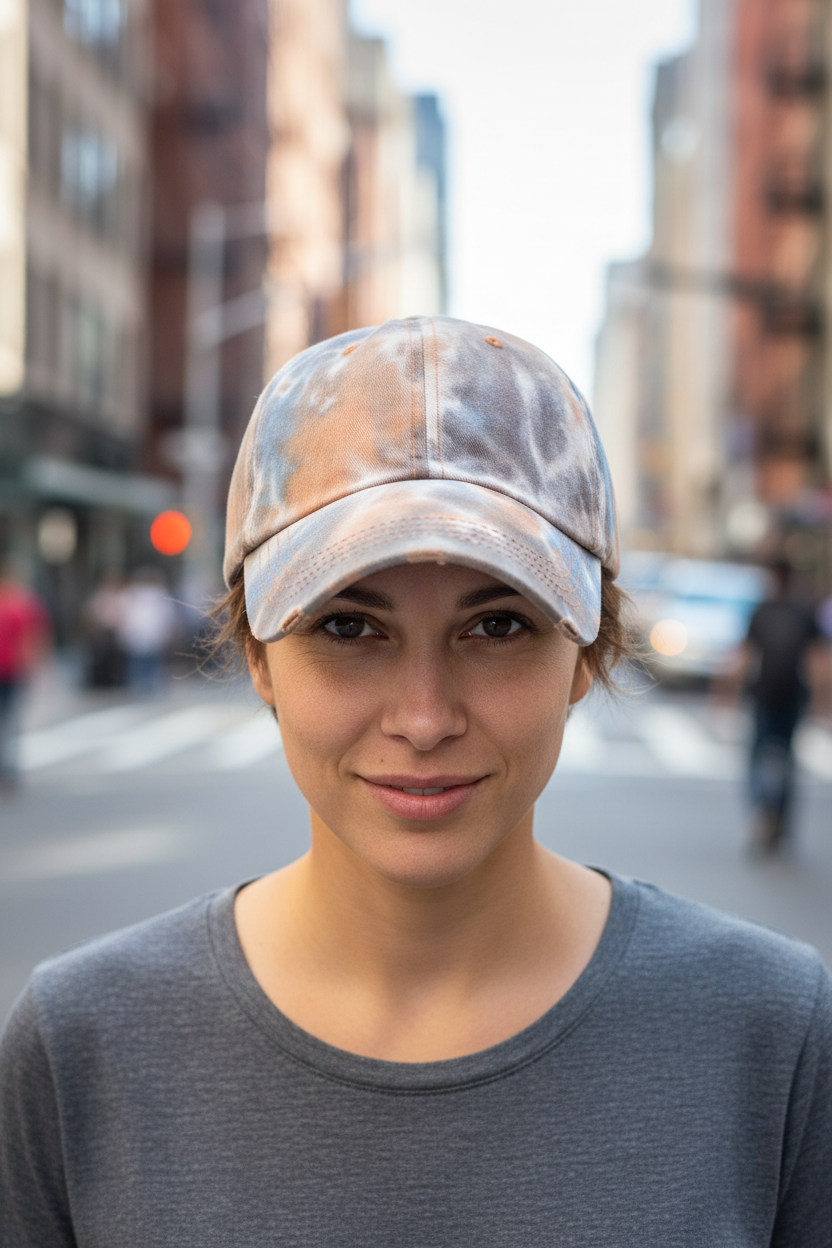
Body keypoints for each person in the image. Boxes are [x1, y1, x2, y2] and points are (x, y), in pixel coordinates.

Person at [1, 318, 830, 1245]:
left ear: (587, 653)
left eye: (499, 626)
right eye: (350, 628)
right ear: (260, 659)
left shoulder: (777, 1037)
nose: (425, 717)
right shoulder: (80, 1049)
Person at [739, 560, 830, 853]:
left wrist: (725, 690)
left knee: (757, 758)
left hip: (766, 694)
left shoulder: (762, 610)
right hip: (792, 695)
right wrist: (821, 697)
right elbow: (817, 659)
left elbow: (745, 654)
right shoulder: (803, 611)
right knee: (787, 762)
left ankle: (763, 809)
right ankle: (778, 820)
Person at [0, 560, 50, 790]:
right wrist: (33, 669)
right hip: (12, 671)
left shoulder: (22, 603)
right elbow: (33, 639)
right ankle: (7, 771)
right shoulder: (23, 603)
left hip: (11, 670)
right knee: (10, 722)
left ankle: (7, 770)